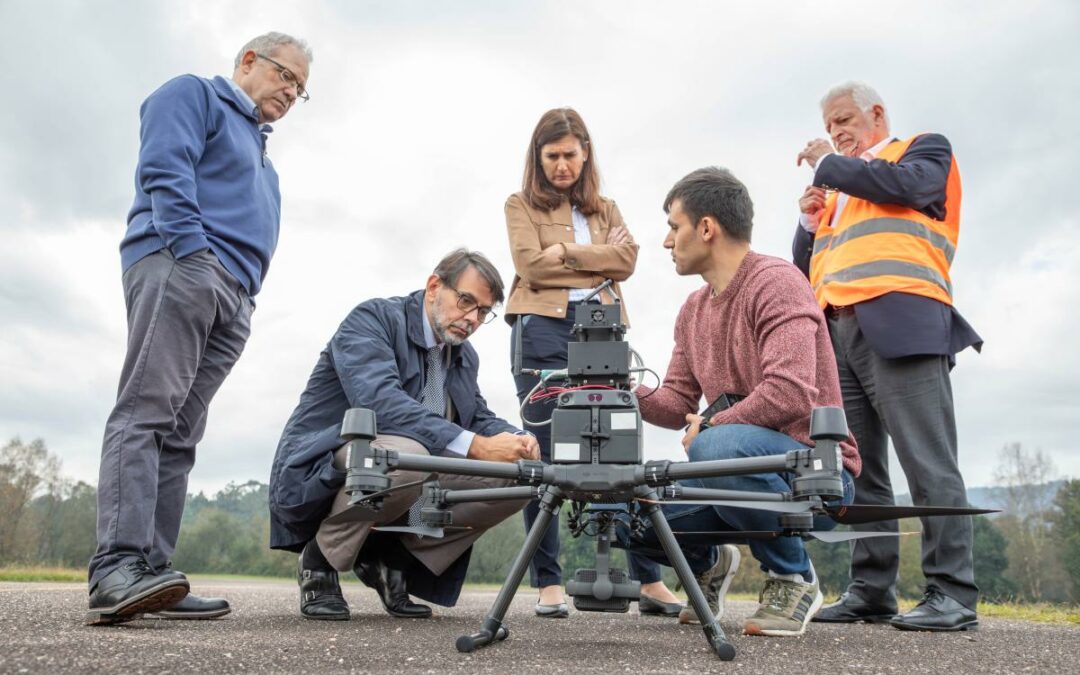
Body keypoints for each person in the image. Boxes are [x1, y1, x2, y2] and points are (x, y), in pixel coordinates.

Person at [87, 32, 313, 625]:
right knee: (147, 411)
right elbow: (165, 168)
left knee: (182, 434)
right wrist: (192, 253)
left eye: (301, 88)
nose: (292, 91)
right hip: (182, 267)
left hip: (234, 296)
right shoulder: (195, 95)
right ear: (248, 61)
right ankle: (116, 565)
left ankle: (152, 577)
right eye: (287, 76)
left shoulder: (266, 159)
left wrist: (244, 294)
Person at [627, 166, 859, 637]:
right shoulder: (691, 310)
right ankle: (709, 565)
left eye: (674, 227)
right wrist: (621, 391)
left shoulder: (777, 282)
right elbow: (675, 405)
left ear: (706, 228)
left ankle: (793, 577)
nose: (667, 242)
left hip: (812, 475)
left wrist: (711, 431)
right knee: (626, 511)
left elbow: (791, 390)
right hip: (735, 472)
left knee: (715, 449)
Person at [793, 82, 983, 632]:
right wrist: (808, 222)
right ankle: (872, 590)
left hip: (902, 323)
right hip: (841, 333)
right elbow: (806, 266)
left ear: (876, 113)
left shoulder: (923, 150)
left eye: (845, 120)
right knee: (862, 470)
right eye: (830, 128)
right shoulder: (839, 189)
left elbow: (910, 187)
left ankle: (952, 592)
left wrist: (829, 164)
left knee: (928, 462)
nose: (837, 133)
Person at [268, 249, 540, 621]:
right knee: (405, 456)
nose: (472, 318)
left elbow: (476, 416)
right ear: (433, 286)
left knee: (522, 479)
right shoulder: (373, 319)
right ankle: (320, 559)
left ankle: (391, 561)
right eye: (466, 301)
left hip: (412, 462)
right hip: (327, 457)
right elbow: (381, 403)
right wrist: (477, 446)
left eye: (483, 312)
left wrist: (515, 438)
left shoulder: (462, 354)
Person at [504, 107, 682, 618]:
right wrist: (595, 253)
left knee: (620, 449)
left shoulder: (607, 207)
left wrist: (561, 251)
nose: (563, 165)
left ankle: (648, 579)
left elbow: (627, 261)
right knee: (546, 452)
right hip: (541, 333)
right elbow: (526, 265)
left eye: (571, 155)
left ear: (586, 155)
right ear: (538, 158)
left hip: (603, 333)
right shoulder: (519, 204)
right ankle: (548, 583)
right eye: (553, 156)